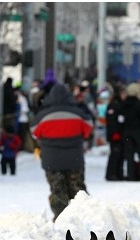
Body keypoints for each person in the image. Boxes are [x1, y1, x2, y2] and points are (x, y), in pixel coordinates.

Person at [30, 83, 94, 221]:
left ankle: (61, 220)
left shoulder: (43, 115)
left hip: (51, 161)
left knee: (58, 191)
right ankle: (85, 219)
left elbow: (34, 132)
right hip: (74, 159)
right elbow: (88, 129)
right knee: (78, 190)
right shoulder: (78, 114)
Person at [121, 82, 140, 181]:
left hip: (126, 132)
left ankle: (131, 175)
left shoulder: (124, 104)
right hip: (139, 132)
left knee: (129, 155)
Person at [104, 84, 127, 181]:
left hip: (119, 133)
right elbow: (112, 121)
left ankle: (118, 173)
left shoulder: (119, 104)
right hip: (115, 134)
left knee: (120, 154)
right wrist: (115, 133)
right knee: (115, 154)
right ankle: (112, 174)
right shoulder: (114, 105)